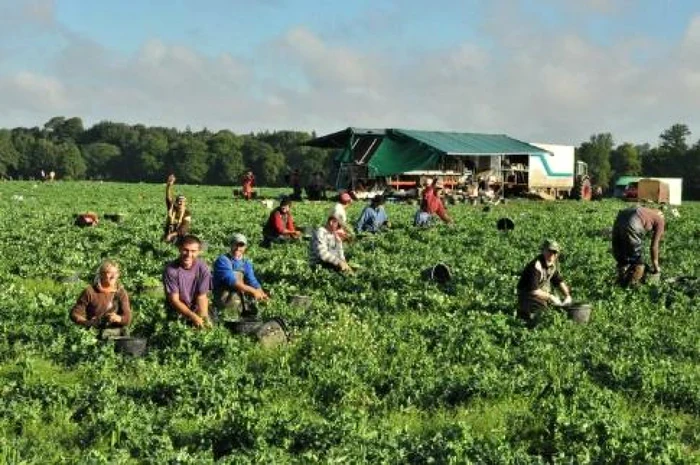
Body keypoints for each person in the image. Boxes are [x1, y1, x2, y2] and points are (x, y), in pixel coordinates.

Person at [212, 233, 269, 322]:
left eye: (241, 245)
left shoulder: (246, 262)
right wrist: (253, 291)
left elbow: (252, 280)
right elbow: (231, 281)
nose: (238, 248)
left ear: (245, 247)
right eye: (235, 244)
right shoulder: (223, 260)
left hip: (239, 296)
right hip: (223, 297)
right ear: (231, 245)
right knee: (227, 316)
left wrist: (260, 292)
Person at [70, 260, 132, 338]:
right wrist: (88, 323)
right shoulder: (90, 292)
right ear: (101, 275)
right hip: (93, 335)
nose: (113, 276)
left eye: (115, 273)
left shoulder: (121, 293)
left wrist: (118, 318)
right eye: (109, 273)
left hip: (115, 335)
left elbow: (127, 318)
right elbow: (75, 313)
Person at [517, 239, 572, 325]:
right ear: (543, 250)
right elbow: (533, 291)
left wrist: (567, 296)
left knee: (557, 309)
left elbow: (558, 280)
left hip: (539, 294)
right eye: (549, 251)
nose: (551, 254)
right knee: (545, 315)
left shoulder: (551, 265)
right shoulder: (536, 266)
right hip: (527, 295)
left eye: (554, 252)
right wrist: (551, 297)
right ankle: (525, 316)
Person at [163, 235, 212, 328]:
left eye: (193, 251)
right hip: (177, 310)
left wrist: (203, 318)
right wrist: (192, 316)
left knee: (205, 326)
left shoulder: (203, 268)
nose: (189, 254)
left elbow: (202, 297)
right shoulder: (171, 270)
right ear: (179, 249)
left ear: (198, 252)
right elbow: (175, 300)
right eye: (185, 250)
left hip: (196, 307)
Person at [612, 206, 665, 287]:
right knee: (637, 261)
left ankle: (620, 282)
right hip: (633, 221)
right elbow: (654, 246)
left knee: (621, 257)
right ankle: (632, 286)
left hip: (619, 219)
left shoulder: (647, 211)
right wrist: (656, 265)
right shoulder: (660, 219)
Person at [163, 174, 192, 244]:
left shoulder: (187, 214)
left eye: (182, 202)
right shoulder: (173, 209)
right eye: (179, 201)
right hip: (169, 234)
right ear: (176, 202)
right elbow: (168, 198)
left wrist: (171, 235)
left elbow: (183, 229)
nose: (180, 203)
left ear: (185, 203)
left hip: (180, 236)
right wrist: (169, 186)